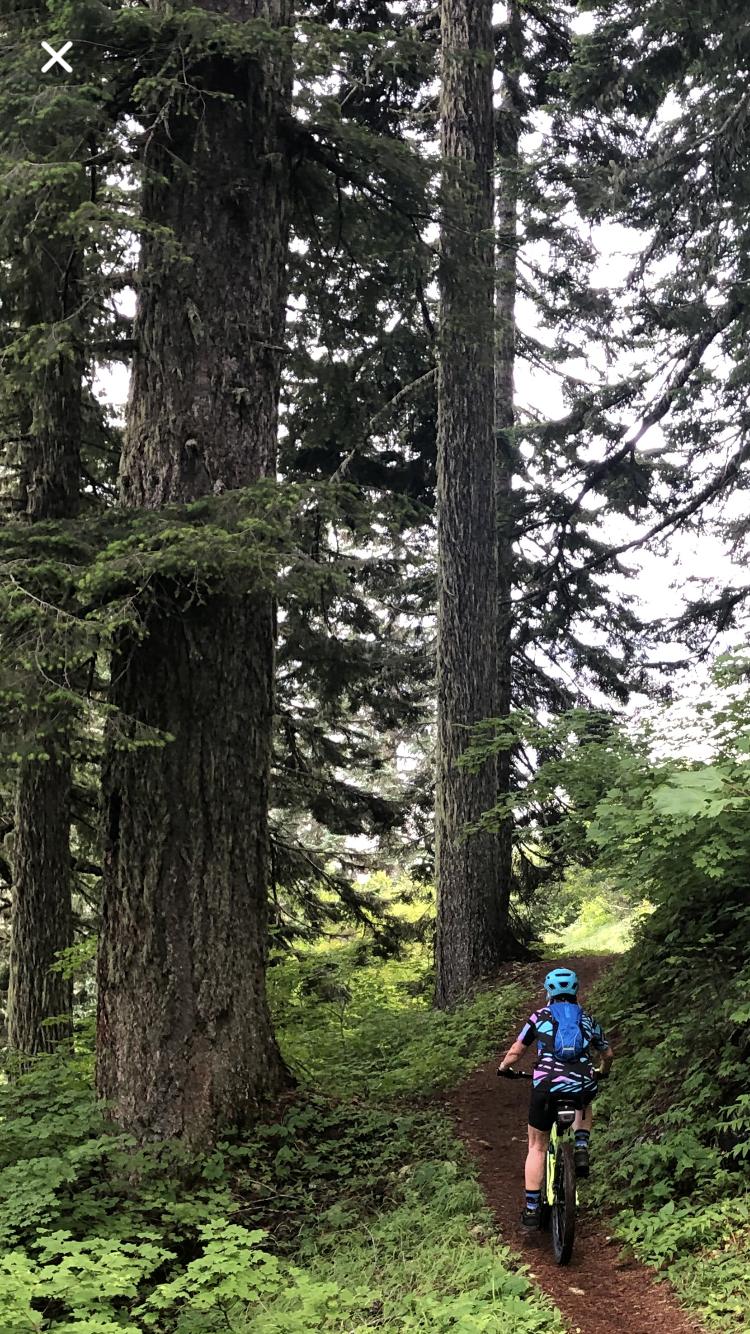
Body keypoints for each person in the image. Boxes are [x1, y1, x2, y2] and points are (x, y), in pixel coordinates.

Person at [497, 966, 613, 1229]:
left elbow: (516, 1051)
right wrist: (602, 1072)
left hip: (547, 1087)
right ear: (575, 991)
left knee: (537, 1146)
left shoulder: (539, 1017)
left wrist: (504, 1068)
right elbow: (607, 1054)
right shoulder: (587, 1020)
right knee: (585, 1100)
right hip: (581, 1084)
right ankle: (581, 1146)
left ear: (548, 991)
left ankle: (531, 1209)